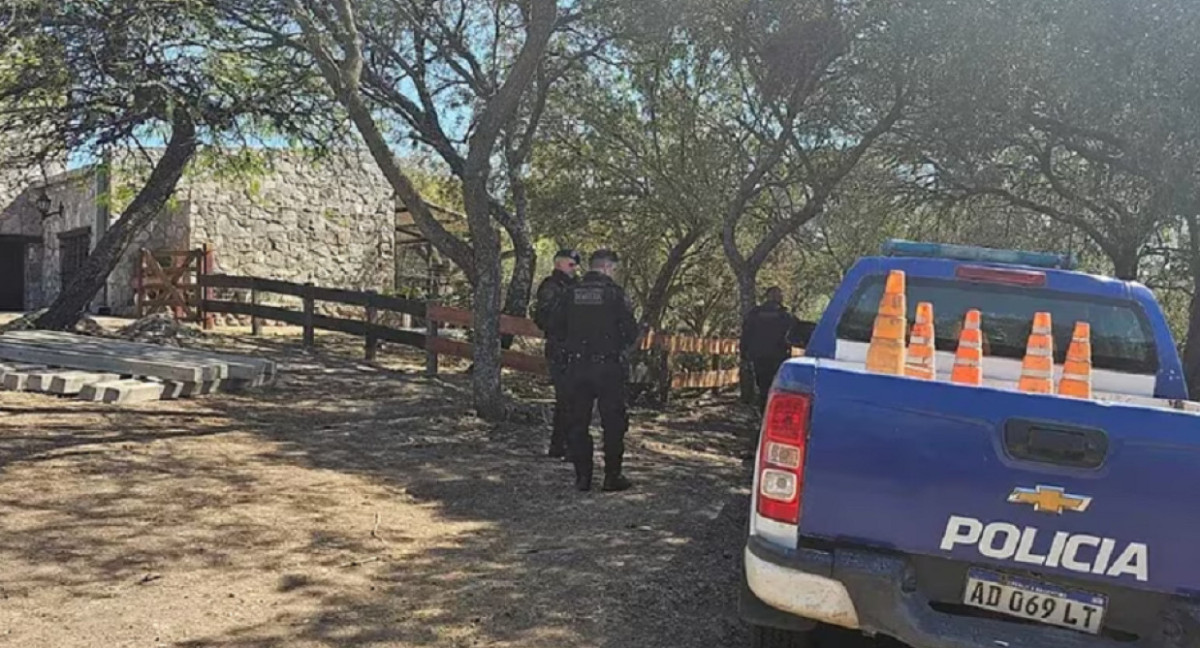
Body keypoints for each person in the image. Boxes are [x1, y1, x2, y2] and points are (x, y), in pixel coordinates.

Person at [549, 249, 639, 492]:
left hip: (576, 367)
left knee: (578, 421)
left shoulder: (569, 294)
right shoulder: (615, 295)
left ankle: (583, 477)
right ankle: (612, 476)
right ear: (608, 268)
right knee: (613, 422)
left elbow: (553, 326)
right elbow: (631, 332)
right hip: (608, 367)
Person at [531, 248, 581, 458]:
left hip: (578, 348)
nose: (574, 269)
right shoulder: (550, 287)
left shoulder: (577, 286)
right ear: (558, 264)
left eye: (576, 265)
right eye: (571, 264)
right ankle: (563, 445)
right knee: (566, 397)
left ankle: (562, 445)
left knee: (574, 398)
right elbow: (544, 319)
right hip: (559, 348)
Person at [741, 286, 803, 413]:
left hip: (759, 357)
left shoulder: (755, 314)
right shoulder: (785, 316)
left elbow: (745, 334)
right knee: (776, 387)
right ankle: (772, 413)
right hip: (778, 358)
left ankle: (764, 412)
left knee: (763, 386)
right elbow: (798, 332)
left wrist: (744, 353)